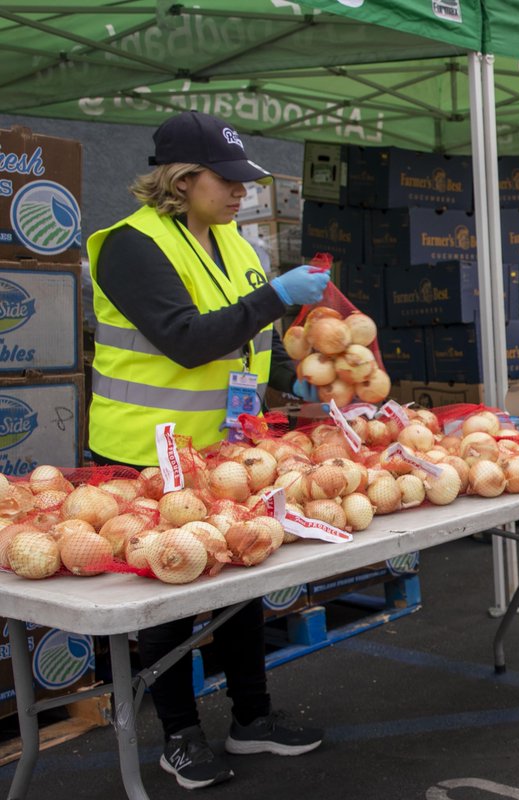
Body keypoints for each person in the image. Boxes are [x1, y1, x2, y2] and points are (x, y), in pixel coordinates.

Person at [88, 111, 327, 790]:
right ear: (183, 179)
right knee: (168, 592)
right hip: (144, 454)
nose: (243, 193)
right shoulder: (130, 246)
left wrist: (298, 387)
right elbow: (188, 339)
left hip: (222, 453)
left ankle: (252, 719)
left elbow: (241, 345)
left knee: (241, 580)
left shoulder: (236, 246)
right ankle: (179, 736)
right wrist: (278, 297)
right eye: (228, 181)